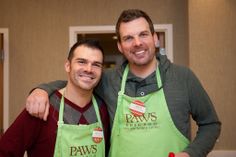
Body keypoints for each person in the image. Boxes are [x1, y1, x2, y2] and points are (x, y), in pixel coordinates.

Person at [25, 9, 221, 157]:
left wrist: (190, 154)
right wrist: (42, 90)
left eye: (143, 35)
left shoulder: (183, 77)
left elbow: (211, 124)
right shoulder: (108, 80)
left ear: (155, 38)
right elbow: (77, 82)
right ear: (120, 46)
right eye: (128, 38)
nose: (137, 43)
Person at [0, 39, 110, 157]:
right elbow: (5, 151)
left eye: (96, 64)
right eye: (82, 62)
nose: (89, 69)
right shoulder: (42, 107)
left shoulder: (102, 109)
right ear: (68, 66)